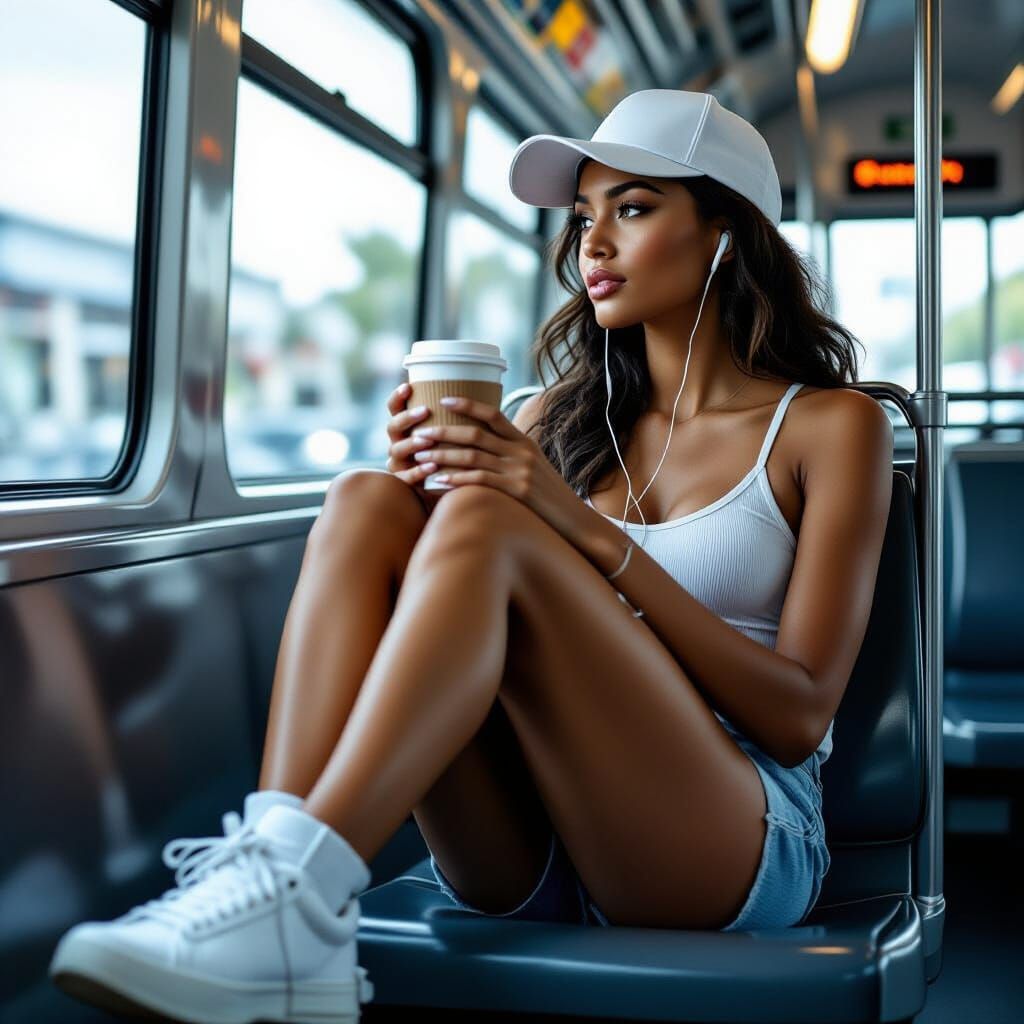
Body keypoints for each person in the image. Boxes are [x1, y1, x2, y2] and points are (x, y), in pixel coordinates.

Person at [49, 89, 894, 1023]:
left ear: (726, 235)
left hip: (729, 837)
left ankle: (294, 892)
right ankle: (289, 891)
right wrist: (425, 495)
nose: (593, 246)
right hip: (533, 832)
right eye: (584, 218)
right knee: (368, 499)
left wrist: (584, 536)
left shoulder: (828, 425)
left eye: (635, 208)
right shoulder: (548, 420)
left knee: (495, 526)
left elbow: (799, 717)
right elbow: (453, 586)